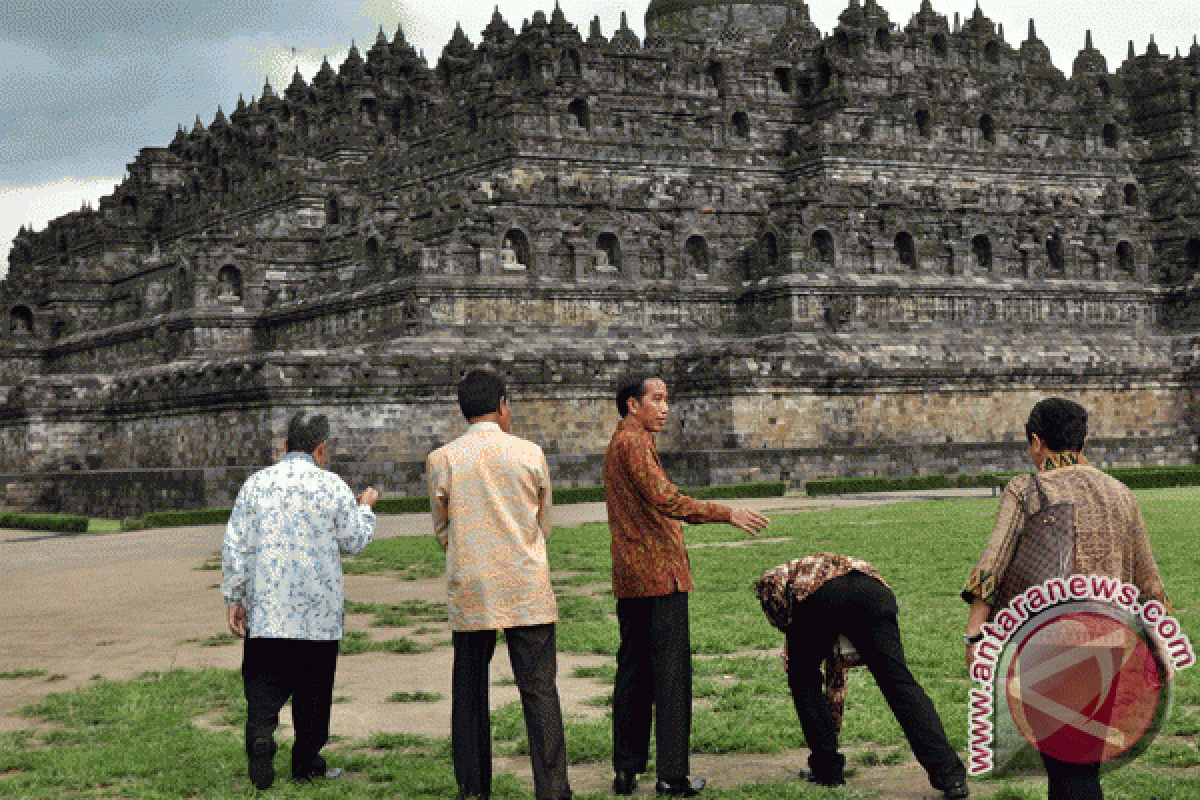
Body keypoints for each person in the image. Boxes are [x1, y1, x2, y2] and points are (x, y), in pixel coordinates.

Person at [962, 397, 1171, 800]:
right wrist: (1157, 650)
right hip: (1110, 642)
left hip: (1050, 642)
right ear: (1085, 442)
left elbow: (993, 564)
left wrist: (975, 636)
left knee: (1068, 769)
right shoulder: (1120, 493)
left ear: (1037, 442)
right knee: (1079, 761)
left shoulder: (1028, 488)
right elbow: (1149, 582)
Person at [603, 374, 770, 798]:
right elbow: (667, 500)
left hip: (632, 577)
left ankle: (627, 769)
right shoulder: (635, 444)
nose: (665, 408)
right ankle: (671, 775)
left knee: (634, 673)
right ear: (632, 405)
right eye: (656, 400)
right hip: (659, 577)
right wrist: (725, 513)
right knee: (670, 677)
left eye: (666, 400)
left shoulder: (621, 443)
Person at [426, 369, 572, 800]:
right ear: (503, 405)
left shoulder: (443, 459)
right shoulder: (529, 453)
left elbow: (442, 528)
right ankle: (553, 789)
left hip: (472, 585)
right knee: (540, 691)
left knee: (469, 692)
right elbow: (543, 521)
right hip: (525, 585)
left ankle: (474, 788)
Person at [222, 411, 379, 790]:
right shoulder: (331, 486)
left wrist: (235, 596)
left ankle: (261, 735)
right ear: (321, 449)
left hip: (269, 612)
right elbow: (353, 540)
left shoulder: (256, 484)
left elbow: (236, 544)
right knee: (313, 695)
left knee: (262, 684)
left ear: (286, 445)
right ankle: (306, 760)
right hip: (317, 616)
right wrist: (366, 507)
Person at [756, 553, 970, 798]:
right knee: (898, 682)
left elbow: (789, 615)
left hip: (823, 598)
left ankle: (827, 771)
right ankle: (951, 776)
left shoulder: (777, 581)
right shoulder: (819, 566)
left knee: (803, 678)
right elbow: (835, 668)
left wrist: (794, 645)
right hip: (875, 593)